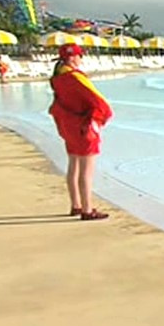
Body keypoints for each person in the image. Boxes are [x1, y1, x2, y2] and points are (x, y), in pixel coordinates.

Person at [48, 43, 113, 220]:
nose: (81, 59)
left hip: (68, 126)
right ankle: (87, 209)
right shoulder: (75, 77)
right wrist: (101, 119)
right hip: (83, 126)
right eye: (80, 56)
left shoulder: (57, 78)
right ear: (75, 58)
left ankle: (76, 205)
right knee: (86, 170)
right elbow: (100, 103)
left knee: (74, 164)